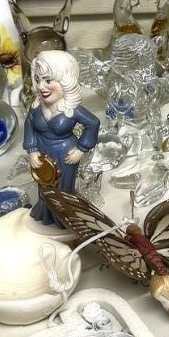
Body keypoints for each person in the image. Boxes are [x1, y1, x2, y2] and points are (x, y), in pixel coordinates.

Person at [23, 50, 101, 229]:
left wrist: (81, 149)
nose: (41, 86)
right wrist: (32, 150)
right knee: (44, 185)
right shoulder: (36, 107)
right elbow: (29, 125)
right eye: (38, 79)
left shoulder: (71, 109)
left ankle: (65, 217)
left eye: (48, 80)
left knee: (64, 188)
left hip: (65, 154)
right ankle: (46, 213)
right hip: (42, 152)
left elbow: (93, 123)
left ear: (65, 81)